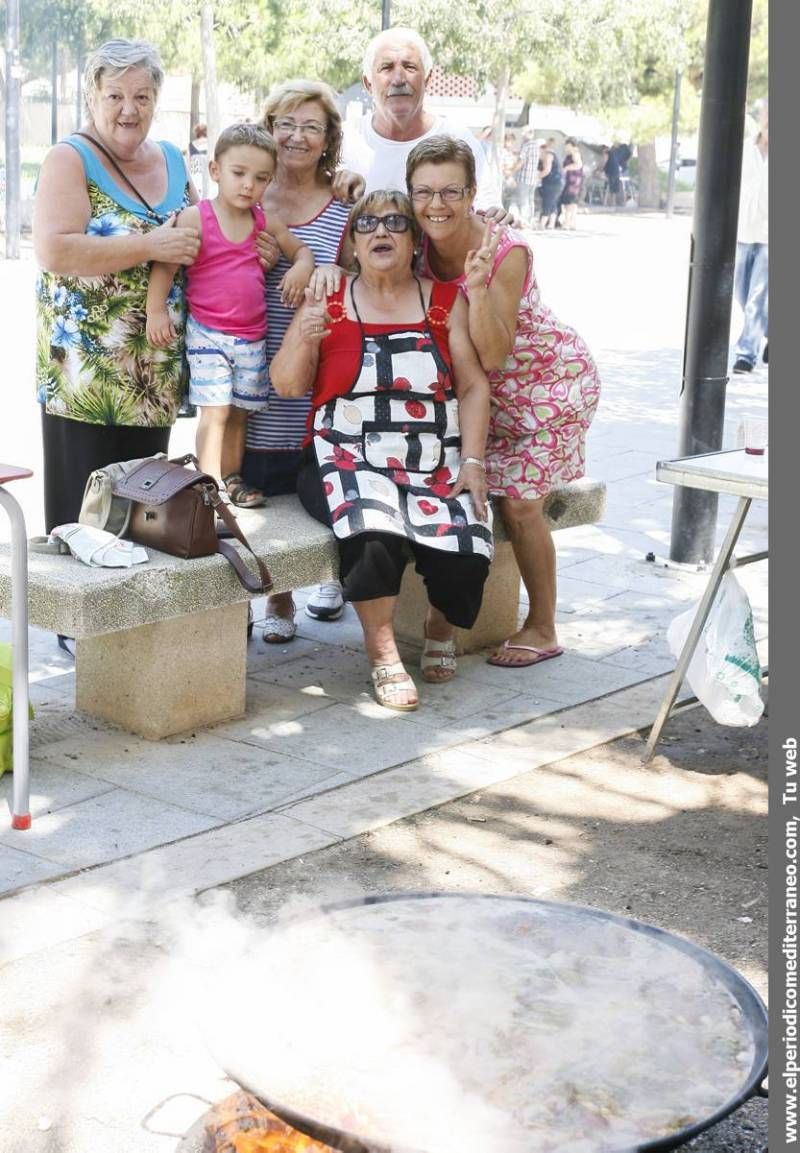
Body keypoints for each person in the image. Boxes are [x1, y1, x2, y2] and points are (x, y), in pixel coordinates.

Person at [269, 191, 493, 711]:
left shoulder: (443, 300)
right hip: (344, 455)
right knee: (373, 532)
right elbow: (285, 384)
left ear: (415, 240)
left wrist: (475, 462)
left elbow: (474, 386)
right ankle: (383, 653)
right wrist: (304, 337)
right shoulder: (326, 298)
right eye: (366, 223)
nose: (380, 232)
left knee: (467, 540)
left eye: (396, 222)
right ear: (352, 241)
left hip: (433, 455)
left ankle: (441, 623)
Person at [407, 136, 601, 668]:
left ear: (472, 192)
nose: (437, 204)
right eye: (423, 192)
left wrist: (475, 288)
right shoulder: (417, 243)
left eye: (451, 191)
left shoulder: (506, 251)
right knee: (449, 486)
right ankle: (443, 618)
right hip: (480, 402)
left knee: (518, 504)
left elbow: (493, 354)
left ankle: (542, 626)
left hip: (548, 390)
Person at [33, 38, 201, 653]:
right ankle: (76, 629)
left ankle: (127, 625)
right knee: (82, 508)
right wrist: (152, 246)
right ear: (92, 96)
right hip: (84, 370)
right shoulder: (68, 158)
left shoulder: (176, 161)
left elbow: (198, 232)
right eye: (115, 96)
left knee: (141, 503)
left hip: (153, 368)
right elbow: (58, 249)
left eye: (142, 96)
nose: (128, 109)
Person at [146, 123, 314, 510]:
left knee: (240, 412)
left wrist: (302, 267)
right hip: (208, 334)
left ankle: (232, 477)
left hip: (252, 337)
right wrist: (155, 310)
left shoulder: (262, 222)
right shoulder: (197, 219)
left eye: (260, 178)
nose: (248, 185)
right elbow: (166, 265)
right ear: (216, 170)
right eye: (239, 173)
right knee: (216, 410)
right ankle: (208, 484)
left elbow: (300, 250)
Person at [245, 79, 353, 641]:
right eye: (286, 123)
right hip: (252, 352)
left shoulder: (345, 206)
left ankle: (328, 574)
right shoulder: (246, 195)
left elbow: (360, 280)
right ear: (268, 130)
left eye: (312, 126)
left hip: (319, 356)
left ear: (329, 138)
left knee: (315, 470)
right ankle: (277, 598)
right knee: (262, 481)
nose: (297, 136)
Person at [337, 27, 499, 209]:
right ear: (368, 84)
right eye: (386, 68)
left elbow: (488, 214)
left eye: (410, 67)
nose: (398, 79)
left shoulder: (458, 140)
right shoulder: (344, 140)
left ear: (427, 79)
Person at [732, 99, 768, 374]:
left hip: (769, 236)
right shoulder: (744, 149)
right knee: (741, 294)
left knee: (757, 297)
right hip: (743, 230)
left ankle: (746, 354)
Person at [515, 129, 540, 226]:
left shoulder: (526, 145)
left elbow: (521, 161)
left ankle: (523, 221)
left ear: (529, 134)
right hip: (533, 178)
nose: (522, 134)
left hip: (524, 177)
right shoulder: (536, 145)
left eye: (524, 133)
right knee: (530, 200)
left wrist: (512, 171)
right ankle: (530, 220)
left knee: (523, 200)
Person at [537, 137, 563, 230]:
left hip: (552, 183)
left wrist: (537, 177)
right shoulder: (552, 154)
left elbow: (547, 170)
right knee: (553, 203)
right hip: (557, 182)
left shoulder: (548, 155)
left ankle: (542, 224)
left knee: (547, 202)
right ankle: (551, 224)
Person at [558, 139, 584, 230]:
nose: (565, 147)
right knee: (572, 203)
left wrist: (566, 168)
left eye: (567, 145)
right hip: (572, 180)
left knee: (569, 203)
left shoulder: (575, 153)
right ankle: (572, 223)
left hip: (573, 181)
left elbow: (579, 165)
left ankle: (567, 222)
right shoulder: (572, 154)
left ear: (571, 145)